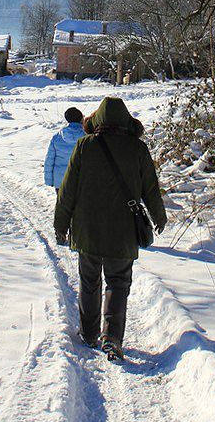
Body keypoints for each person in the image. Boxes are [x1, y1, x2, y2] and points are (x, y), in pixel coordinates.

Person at [54, 96, 166, 362]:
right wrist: (158, 216)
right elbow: (150, 187)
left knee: (89, 281)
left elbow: (68, 190)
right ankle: (112, 338)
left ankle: (90, 333)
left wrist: (61, 223)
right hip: (123, 230)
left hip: (87, 228)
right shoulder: (137, 149)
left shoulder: (84, 146)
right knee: (118, 283)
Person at [43, 107, 85, 193]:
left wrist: (49, 180)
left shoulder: (57, 137)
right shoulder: (86, 137)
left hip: (60, 181)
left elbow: (49, 160)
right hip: (81, 180)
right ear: (81, 119)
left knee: (63, 205)